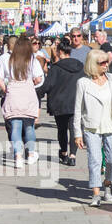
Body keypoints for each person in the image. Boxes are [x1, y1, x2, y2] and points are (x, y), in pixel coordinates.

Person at [72, 48, 112, 207]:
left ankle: (108, 183)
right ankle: (96, 193)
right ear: (92, 64)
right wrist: (77, 133)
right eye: (102, 62)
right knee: (95, 160)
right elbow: (78, 109)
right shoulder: (83, 83)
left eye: (107, 61)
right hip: (92, 127)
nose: (106, 65)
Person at [39, 38, 85, 166]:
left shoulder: (56, 68)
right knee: (74, 129)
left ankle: (64, 153)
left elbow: (48, 85)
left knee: (62, 130)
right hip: (76, 102)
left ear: (59, 52)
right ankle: (73, 155)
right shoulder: (80, 67)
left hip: (59, 103)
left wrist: (38, 94)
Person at [1, 36, 45, 167]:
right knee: (29, 126)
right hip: (27, 92)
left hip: (13, 92)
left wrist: (5, 88)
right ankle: (31, 154)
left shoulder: (9, 60)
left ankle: (18, 156)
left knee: (15, 125)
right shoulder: (32, 60)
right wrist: (31, 82)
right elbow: (38, 78)